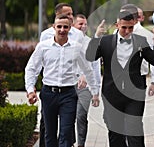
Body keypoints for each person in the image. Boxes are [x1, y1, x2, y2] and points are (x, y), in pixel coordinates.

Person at [86, 11, 154, 147]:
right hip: (111, 94)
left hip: (134, 94)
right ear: (117, 25)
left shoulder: (140, 40)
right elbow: (90, 57)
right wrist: (97, 37)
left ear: (134, 25)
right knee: (115, 133)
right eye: (124, 27)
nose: (127, 31)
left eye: (130, 28)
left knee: (135, 130)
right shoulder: (106, 41)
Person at [25, 14, 100, 147]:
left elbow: (88, 70)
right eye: (59, 26)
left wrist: (95, 93)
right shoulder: (43, 46)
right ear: (54, 27)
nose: (62, 29)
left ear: (70, 28)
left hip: (68, 95)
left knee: (66, 133)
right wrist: (30, 90)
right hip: (49, 94)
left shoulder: (77, 47)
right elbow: (31, 68)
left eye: (65, 27)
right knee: (50, 133)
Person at [39, 3, 86, 147]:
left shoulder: (78, 36)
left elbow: (84, 61)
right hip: (49, 90)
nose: (71, 16)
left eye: (72, 14)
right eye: (68, 14)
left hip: (69, 91)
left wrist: (83, 76)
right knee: (48, 130)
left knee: (66, 132)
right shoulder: (45, 39)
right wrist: (31, 89)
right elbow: (39, 62)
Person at [73, 14, 102, 147]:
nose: (83, 26)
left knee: (81, 116)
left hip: (86, 87)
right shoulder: (67, 42)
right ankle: (69, 141)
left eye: (85, 24)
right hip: (69, 85)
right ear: (73, 25)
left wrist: (96, 91)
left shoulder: (91, 42)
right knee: (68, 116)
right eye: (80, 24)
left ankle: (81, 143)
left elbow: (96, 68)